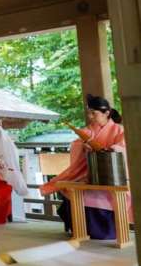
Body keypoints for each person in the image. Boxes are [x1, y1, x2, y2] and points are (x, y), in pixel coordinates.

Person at [41, 94, 130, 239]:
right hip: (90, 173)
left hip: (112, 174)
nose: (90, 117)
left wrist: (110, 149)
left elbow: (123, 147)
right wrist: (83, 146)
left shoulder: (119, 130)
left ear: (106, 113)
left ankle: (106, 231)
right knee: (70, 188)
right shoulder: (89, 129)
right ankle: (81, 229)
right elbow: (77, 142)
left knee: (100, 195)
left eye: (93, 113)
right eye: (89, 113)